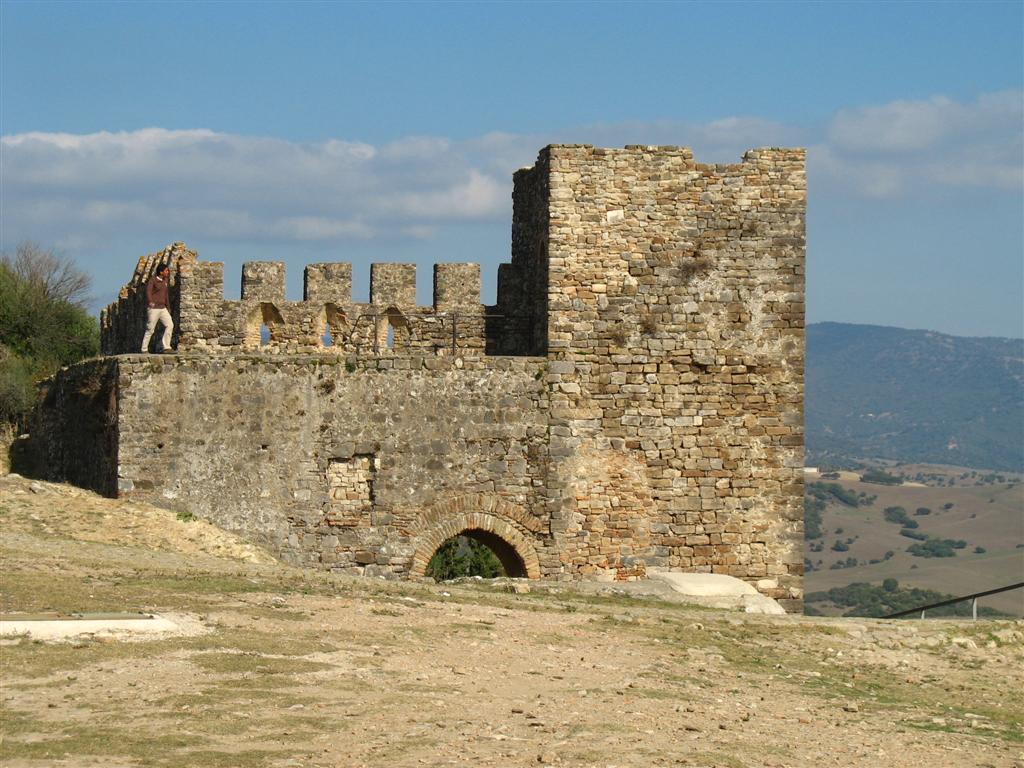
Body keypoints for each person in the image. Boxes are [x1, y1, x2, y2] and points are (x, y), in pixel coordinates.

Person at [141, 264, 174, 353]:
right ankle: (144, 349)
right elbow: (148, 291)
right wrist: (150, 301)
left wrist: (168, 307)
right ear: (161, 272)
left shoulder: (165, 280)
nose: (168, 272)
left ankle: (166, 347)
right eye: (166, 271)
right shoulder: (153, 280)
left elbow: (166, 295)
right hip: (154, 308)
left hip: (163, 308)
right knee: (150, 329)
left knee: (170, 325)